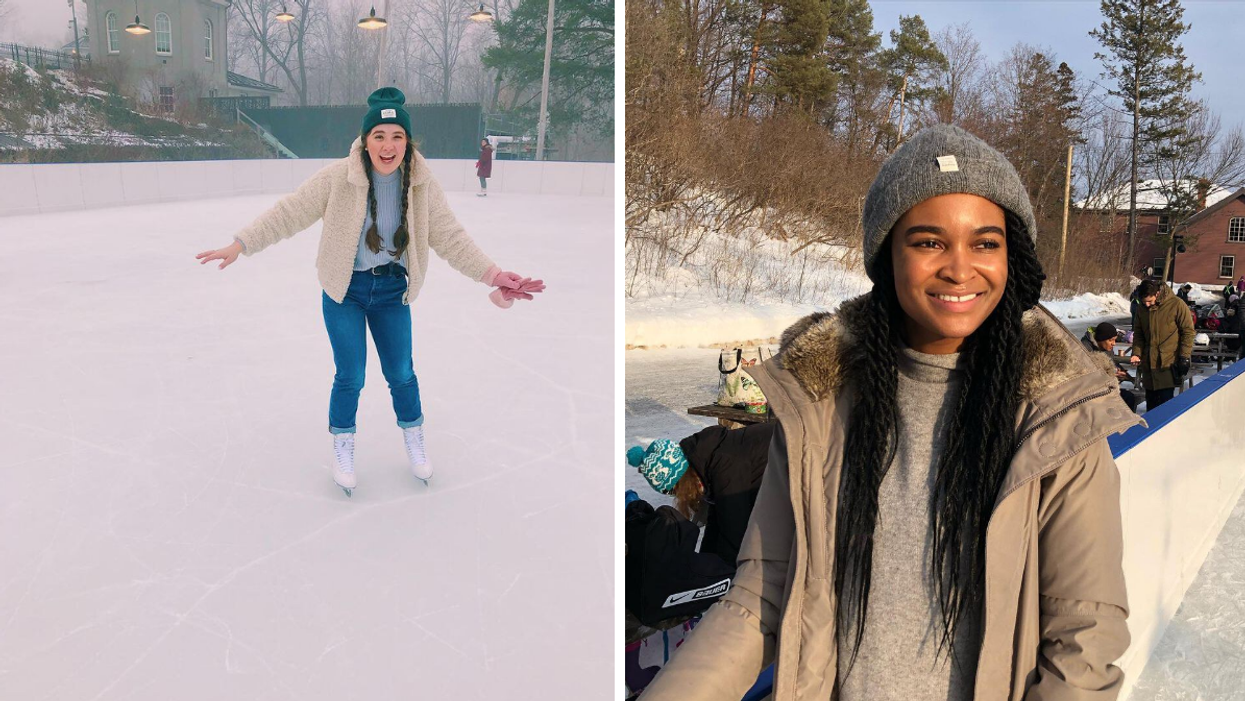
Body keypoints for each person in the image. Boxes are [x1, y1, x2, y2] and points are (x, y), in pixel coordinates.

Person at [642, 125, 1142, 701]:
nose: (960, 269)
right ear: (887, 256)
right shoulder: (818, 405)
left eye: (985, 243)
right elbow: (761, 593)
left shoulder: (1058, 414)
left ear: (1013, 257)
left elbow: (1084, 637)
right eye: (929, 242)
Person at [195, 88, 545, 497]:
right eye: (379, 135)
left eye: (397, 136)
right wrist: (241, 243)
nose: (388, 145)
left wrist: (494, 275)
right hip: (345, 290)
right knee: (351, 375)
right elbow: (290, 212)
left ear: (407, 142)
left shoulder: (421, 185)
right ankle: (343, 445)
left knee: (401, 373)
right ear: (365, 140)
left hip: (392, 292)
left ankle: (414, 438)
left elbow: (450, 237)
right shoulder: (338, 178)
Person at [628, 422, 775, 567]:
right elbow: (717, 521)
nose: (677, 496)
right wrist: (703, 562)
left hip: (786, 459)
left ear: (681, 479)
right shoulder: (704, 461)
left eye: (674, 491)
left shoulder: (723, 466)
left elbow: (734, 533)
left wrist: (720, 575)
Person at [1130, 277, 1194, 411]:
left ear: (1157, 294)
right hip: (1149, 364)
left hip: (1167, 363)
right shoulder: (1142, 308)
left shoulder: (1176, 304)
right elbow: (1139, 333)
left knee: (1165, 405)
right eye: (1144, 302)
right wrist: (1136, 353)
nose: (1147, 305)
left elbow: (1188, 332)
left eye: (1150, 301)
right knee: (1151, 406)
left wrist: (1184, 356)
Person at [1080, 322, 1138, 412]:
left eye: (1115, 340)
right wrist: (1110, 374)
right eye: (1111, 340)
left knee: (1129, 398)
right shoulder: (1085, 348)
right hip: (1091, 393)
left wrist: (1121, 374)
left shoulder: (1106, 348)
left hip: (1107, 388)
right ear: (1101, 339)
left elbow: (1113, 364)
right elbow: (1087, 375)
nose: (1113, 344)